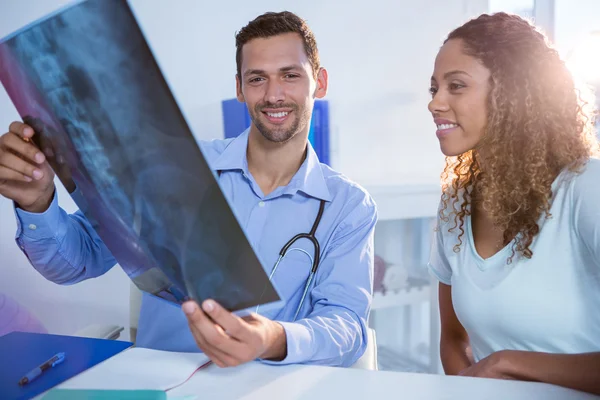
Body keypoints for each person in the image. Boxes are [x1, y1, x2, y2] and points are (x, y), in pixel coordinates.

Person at [0, 11, 377, 368]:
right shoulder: (175, 168)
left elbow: (347, 325)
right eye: (257, 78)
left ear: (320, 83)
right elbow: (76, 262)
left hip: (263, 385)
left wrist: (274, 339)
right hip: (162, 381)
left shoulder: (348, 206)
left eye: (290, 75)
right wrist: (37, 204)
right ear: (240, 88)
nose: (273, 94)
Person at [427, 12, 600, 395]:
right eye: (434, 88)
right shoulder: (455, 202)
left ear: (513, 93)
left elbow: (494, 363)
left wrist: (509, 362)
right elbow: (453, 339)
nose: (435, 103)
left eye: (456, 86)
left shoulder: (585, 189)